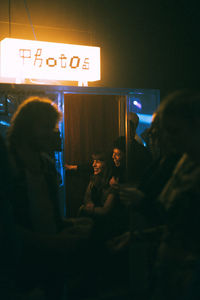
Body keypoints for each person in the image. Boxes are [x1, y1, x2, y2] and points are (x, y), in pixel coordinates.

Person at [7, 96, 93, 299]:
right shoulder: (7, 165)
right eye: (46, 127)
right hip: (20, 269)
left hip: (50, 265)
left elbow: (44, 215)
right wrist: (51, 242)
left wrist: (67, 225)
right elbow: (6, 228)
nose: (53, 133)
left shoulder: (46, 165)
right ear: (27, 128)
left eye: (53, 126)